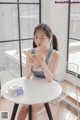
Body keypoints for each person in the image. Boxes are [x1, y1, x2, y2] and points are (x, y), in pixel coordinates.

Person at [17, 23, 59, 120]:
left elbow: (50, 79)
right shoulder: (30, 52)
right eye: (36, 37)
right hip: (35, 87)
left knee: (32, 109)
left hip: (50, 88)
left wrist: (43, 64)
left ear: (50, 38)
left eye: (42, 38)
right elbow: (27, 76)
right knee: (23, 107)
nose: (38, 40)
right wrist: (30, 64)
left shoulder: (55, 54)